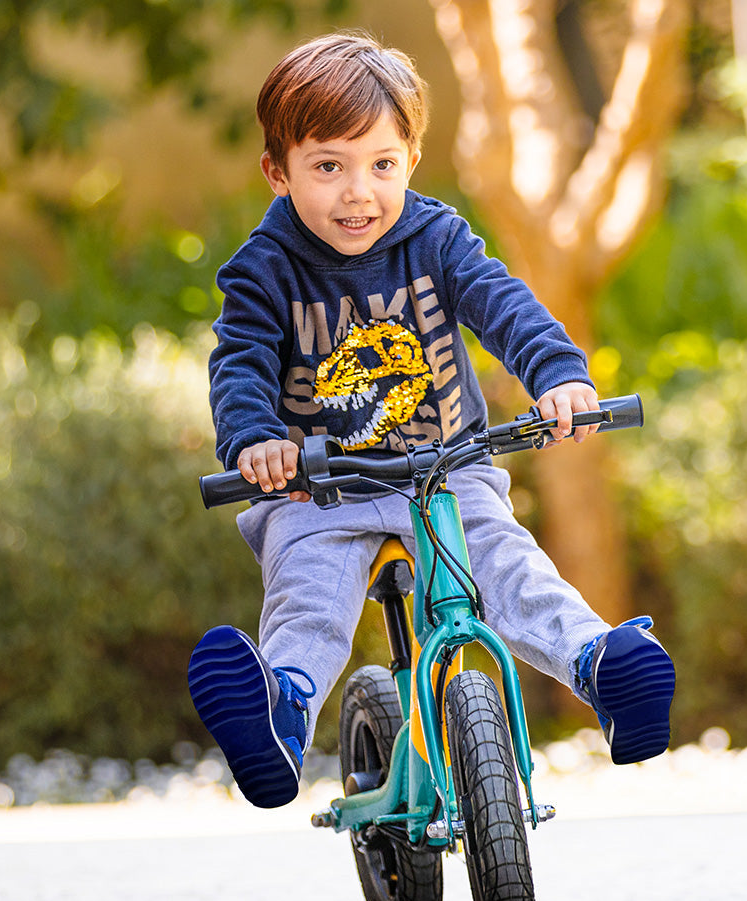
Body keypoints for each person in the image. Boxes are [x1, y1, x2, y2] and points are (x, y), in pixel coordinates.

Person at [188, 32, 675, 809]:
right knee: (309, 603)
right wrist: (257, 441)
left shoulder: (436, 238)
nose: (358, 192)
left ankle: (604, 667)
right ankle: (277, 718)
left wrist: (557, 377)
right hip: (322, 492)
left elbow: (501, 303)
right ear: (277, 173)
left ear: (411, 161)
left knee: (509, 572)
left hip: (443, 472)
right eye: (328, 167)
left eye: (381, 165)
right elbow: (241, 361)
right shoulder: (263, 268)